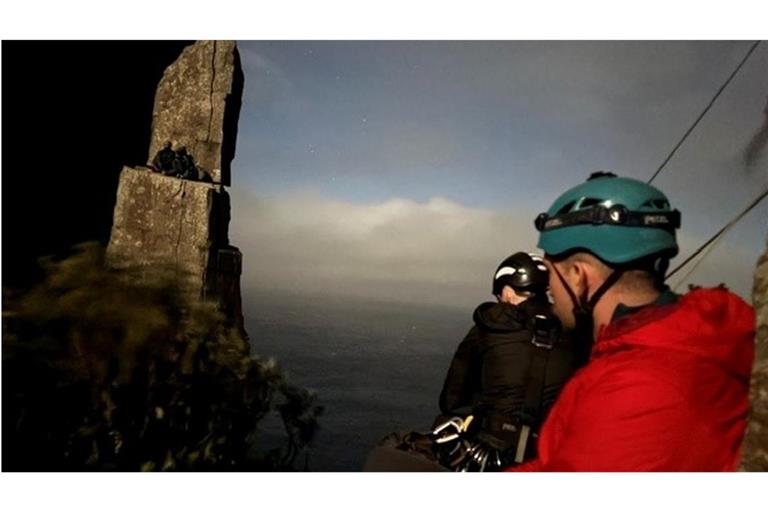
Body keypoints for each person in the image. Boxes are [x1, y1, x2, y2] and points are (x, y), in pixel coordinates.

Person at [509, 171, 755, 471]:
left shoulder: (637, 389)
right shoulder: (684, 341)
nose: (549, 287)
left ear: (578, 276)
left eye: (551, 273)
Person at [434, 252, 575, 470]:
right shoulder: (574, 332)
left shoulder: (488, 327)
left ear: (507, 292)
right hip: (552, 455)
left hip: (491, 451)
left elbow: (453, 399)